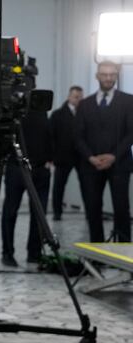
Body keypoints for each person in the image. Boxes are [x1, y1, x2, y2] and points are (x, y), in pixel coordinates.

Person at [74, 61, 133, 242]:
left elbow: (131, 133)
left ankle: (123, 253)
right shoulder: (84, 104)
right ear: (97, 76)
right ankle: (97, 252)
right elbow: (77, 136)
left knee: (122, 209)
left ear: (116, 76)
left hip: (120, 164)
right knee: (92, 209)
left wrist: (113, 156)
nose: (108, 78)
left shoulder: (129, 101)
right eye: (104, 74)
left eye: (112, 74)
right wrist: (91, 158)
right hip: (90, 166)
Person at [1, 109, 52, 268]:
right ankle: (8, 253)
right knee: (10, 211)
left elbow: (50, 134)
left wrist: (50, 159)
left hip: (39, 168)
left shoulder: (41, 110)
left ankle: (34, 253)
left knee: (39, 212)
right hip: (16, 167)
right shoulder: (12, 110)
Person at [49, 85, 83, 220]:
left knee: (88, 186)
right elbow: (50, 136)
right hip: (63, 157)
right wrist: (51, 156)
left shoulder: (85, 113)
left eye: (80, 97)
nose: (79, 99)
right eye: (76, 97)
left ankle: (91, 213)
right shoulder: (57, 115)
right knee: (59, 186)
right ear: (69, 97)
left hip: (82, 156)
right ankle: (57, 213)